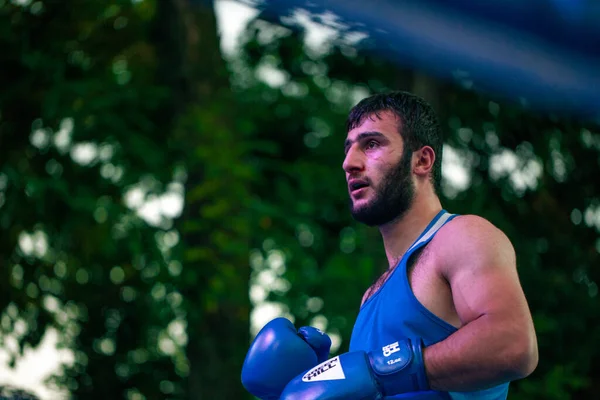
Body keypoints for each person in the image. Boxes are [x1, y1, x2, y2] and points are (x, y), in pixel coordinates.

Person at [242, 91, 538, 399]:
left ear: (422, 160)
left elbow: (513, 343)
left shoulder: (461, 236)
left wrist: (383, 368)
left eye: (371, 145)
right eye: (348, 149)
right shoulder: (371, 296)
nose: (349, 163)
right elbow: (382, 382)